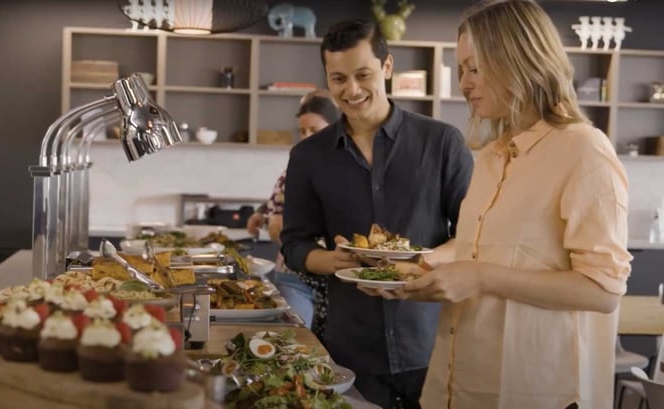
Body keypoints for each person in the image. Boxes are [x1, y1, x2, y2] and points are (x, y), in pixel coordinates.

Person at [361, 1, 632, 408]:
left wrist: (481, 277)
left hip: (537, 391)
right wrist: (420, 276)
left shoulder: (583, 150)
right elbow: (479, 256)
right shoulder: (490, 157)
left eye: (474, 68)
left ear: (518, 58)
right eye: (462, 69)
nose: (464, 83)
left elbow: (602, 289)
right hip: (460, 386)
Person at [280, 19, 473, 408]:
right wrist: (331, 261)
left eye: (362, 74)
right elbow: (295, 244)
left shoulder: (441, 142)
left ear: (387, 68)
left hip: (433, 345)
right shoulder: (308, 157)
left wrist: (423, 262)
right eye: (338, 79)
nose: (351, 90)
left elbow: (475, 235)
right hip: (351, 350)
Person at [247, 93, 342, 336]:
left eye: (314, 129)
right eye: (302, 131)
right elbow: (280, 197)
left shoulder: (349, 169)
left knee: (328, 355)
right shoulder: (299, 164)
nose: (307, 137)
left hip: (334, 282)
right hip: (292, 275)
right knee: (295, 343)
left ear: (335, 127)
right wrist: (264, 214)